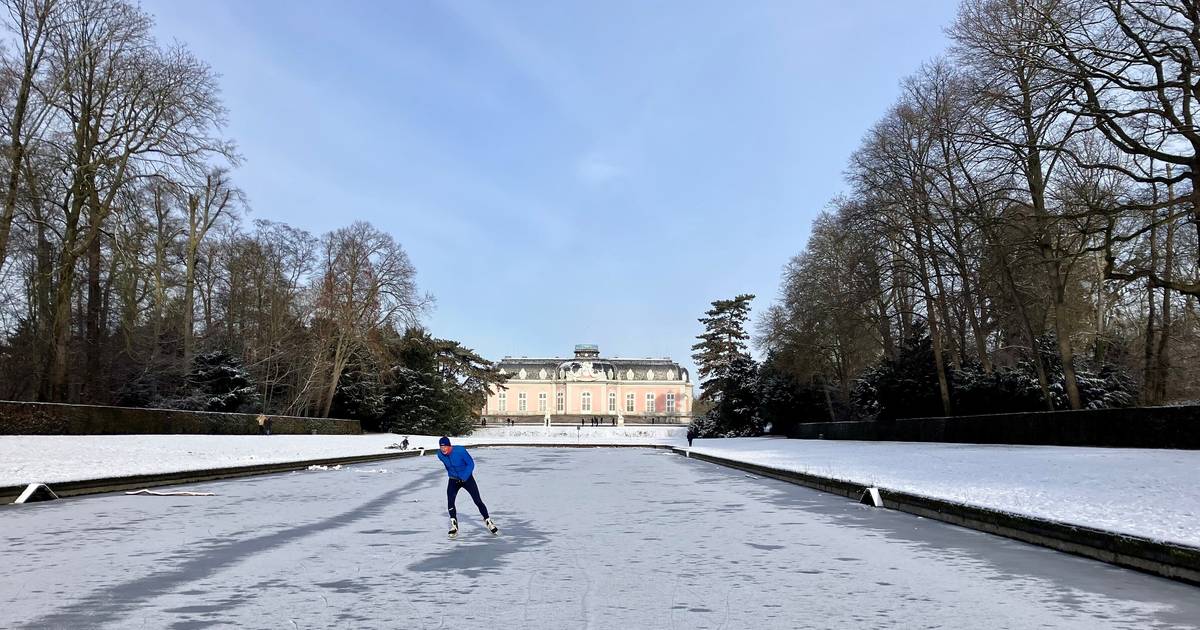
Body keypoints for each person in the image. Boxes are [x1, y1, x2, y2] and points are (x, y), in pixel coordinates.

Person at [436, 437, 497, 538]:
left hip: (467, 478)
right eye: (441, 447)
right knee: (450, 501)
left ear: (449, 446)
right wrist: (452, 475)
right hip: (453, 479)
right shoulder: (439, 454)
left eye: (445, 446)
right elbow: (447, 466)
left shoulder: (460, 451)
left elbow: (470, 464)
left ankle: (488, 521)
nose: (443, 449)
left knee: (477, 500)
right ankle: (454, 525)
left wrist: (464, 477)